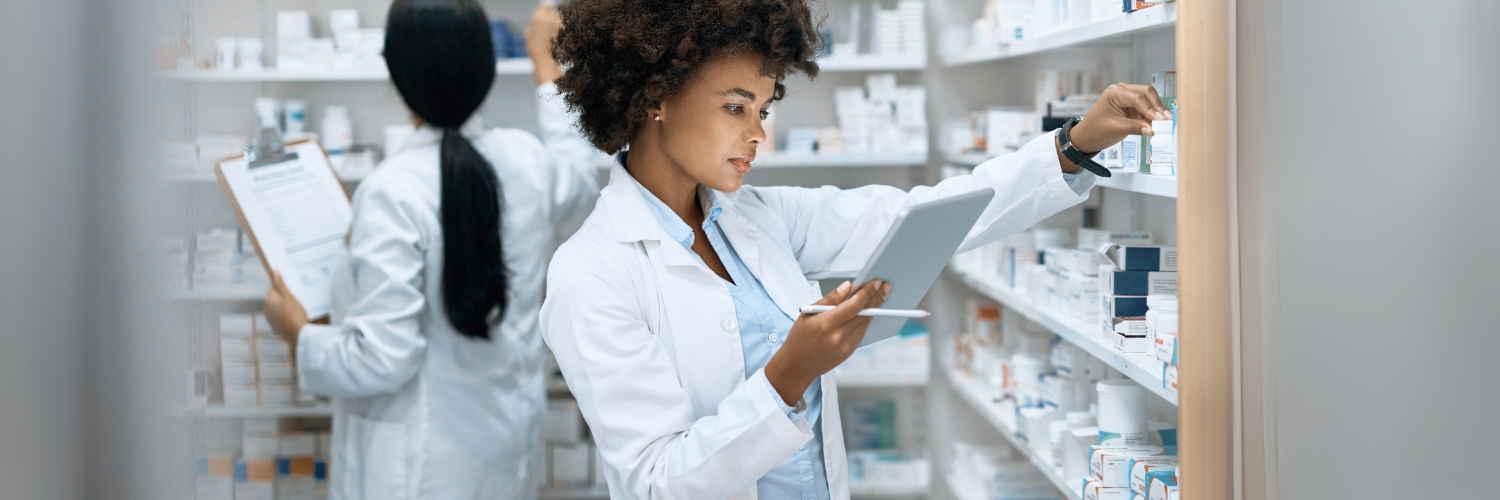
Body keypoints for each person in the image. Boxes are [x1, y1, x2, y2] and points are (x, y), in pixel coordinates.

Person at [537, 0, 1172, 499]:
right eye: (736, 107)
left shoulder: (755, 218)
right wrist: (789, 373)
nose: (758, 133)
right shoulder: (592, 273)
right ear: (655, 97)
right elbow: (657, 481)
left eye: (763, 107)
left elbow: (923, 216)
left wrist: (1075, 143)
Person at [258, 1, 598, 498]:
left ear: (397, 75)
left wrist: (298, 334)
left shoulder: (392, 190)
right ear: (484, 69)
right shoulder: (526, 162)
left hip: (414, 472)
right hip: (502, 454)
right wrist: (548, 67)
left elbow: (381, 360)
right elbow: (580, 171)